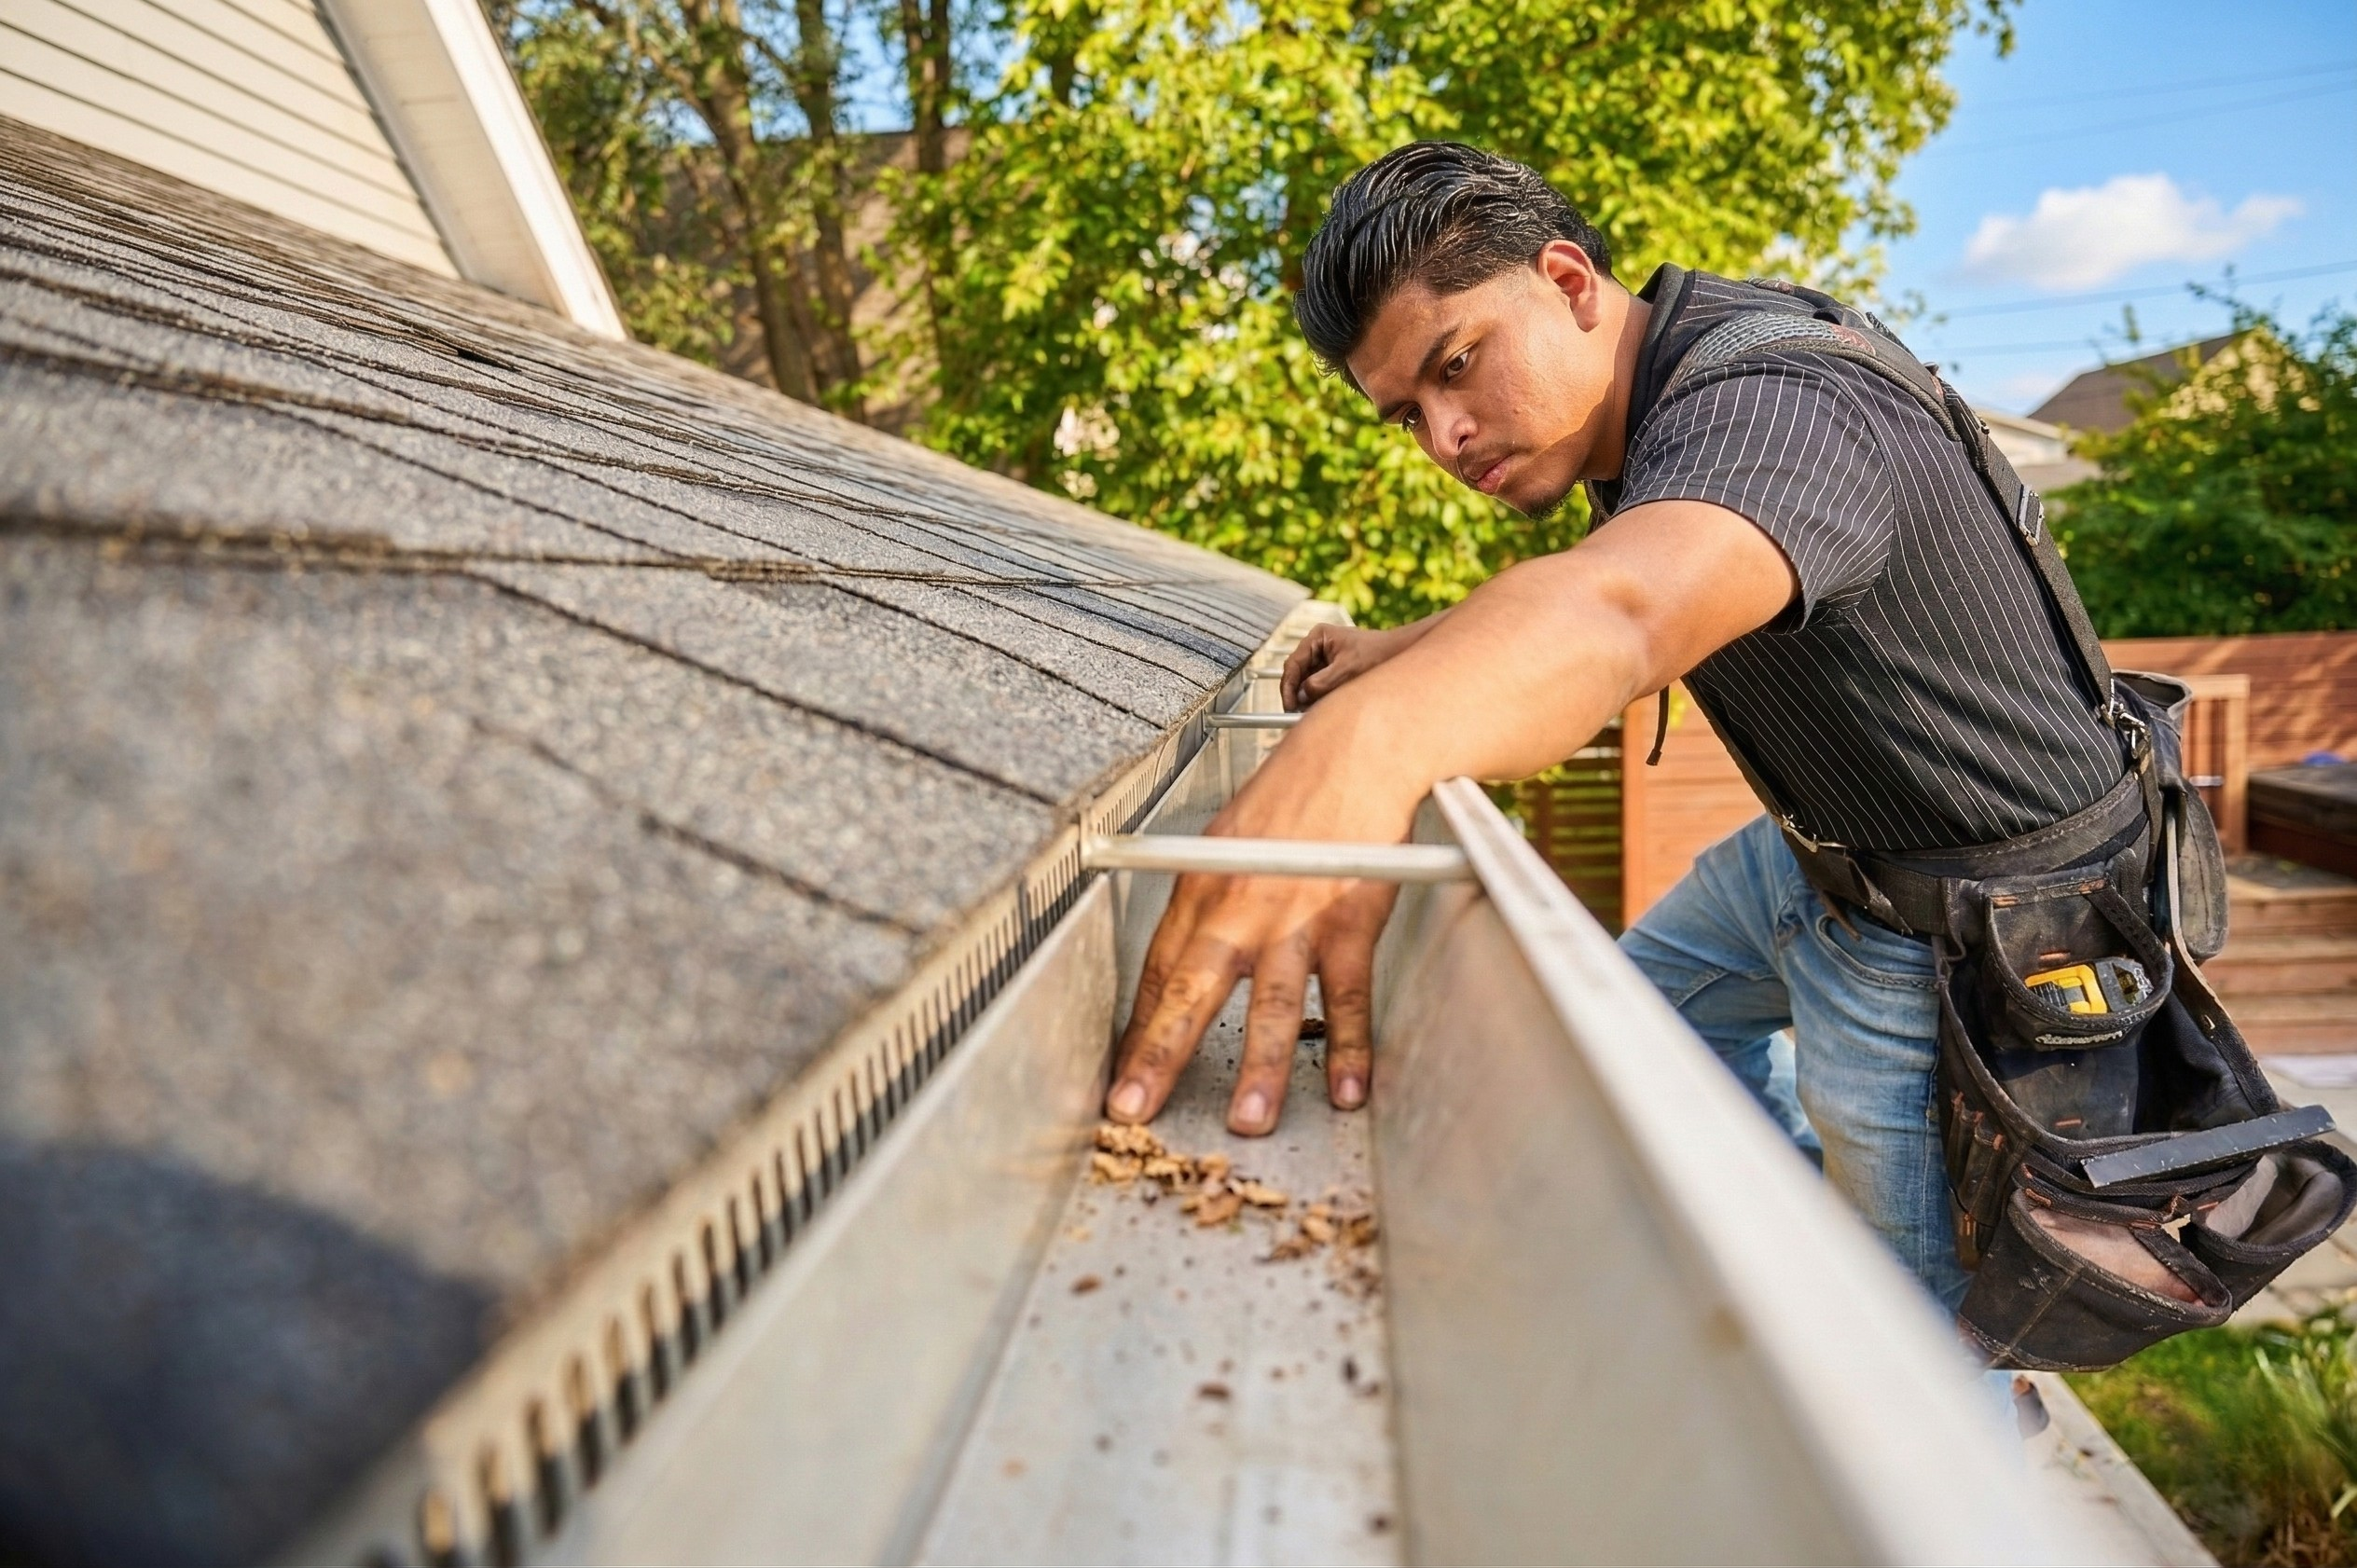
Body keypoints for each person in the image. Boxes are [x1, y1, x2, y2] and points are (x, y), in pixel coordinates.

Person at [1102, 141, 2135, 1314]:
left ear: (1566, 280)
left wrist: (1364, 746)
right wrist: (1414, 647)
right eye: (1406, 416)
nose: (1444, 439)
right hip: (1821, 845)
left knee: (1917, 1361)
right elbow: (1622, 567)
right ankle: (1789, 1254)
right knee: (1628, 1045)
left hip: (1970, 926)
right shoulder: (1654, 391)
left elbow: (1624, 606)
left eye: (1455, 366)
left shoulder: (1777, 404)